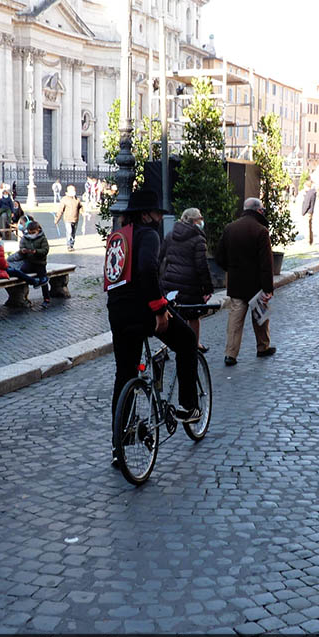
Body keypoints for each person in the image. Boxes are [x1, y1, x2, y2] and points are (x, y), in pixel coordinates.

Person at [108, 189, 201, 463]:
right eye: (158, 211)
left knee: (124, 375)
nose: (161, 216)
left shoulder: (120, 235)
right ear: (146, 214)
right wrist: (160, 309)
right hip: (143, 311)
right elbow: (148, 270)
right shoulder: (148, 235)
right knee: (186, 341)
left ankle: (119, 444)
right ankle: (189, 406)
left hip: (117, 312)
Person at [215, 197, 275, 366]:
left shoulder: (230, 228)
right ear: (258, 210)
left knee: (235, 320)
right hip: (256, 284)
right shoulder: (261, 231)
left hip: (236, 283)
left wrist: (232, 269)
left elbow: (219, 257)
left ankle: (230, 354)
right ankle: (263, 347)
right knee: (261, 317)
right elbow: (266, 263)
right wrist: (268, 288)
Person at [160, 207, 214, 352]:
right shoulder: (198, 239)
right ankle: (194, 345)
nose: (202, 221)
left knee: (172, 314)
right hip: (191, 284)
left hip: (170, 282)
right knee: (193, 315)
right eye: (200, 218)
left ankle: (165, 345)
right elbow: (202, 266)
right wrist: (208, 288)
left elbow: (160, 258)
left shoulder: (171, 234)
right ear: (194, 221)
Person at [7, 220, 52, 305]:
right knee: (21, 272)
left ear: (38, 230)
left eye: (33, 232)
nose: (31, 234)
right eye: (30, 232)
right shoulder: (25, 237)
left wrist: (36, 251)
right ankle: (23, 294)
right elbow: (21, 247)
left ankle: (46, 298)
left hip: (39, 262)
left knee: (43, 279)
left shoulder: (42, 238)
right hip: (29, 261)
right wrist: (23, 251)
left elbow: (45, 250)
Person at [54, 184, 83, 251]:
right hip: (67, 219)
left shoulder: (77, 199)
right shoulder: (64, 199)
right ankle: (69, 245)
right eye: (72, 190)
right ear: (68, 191)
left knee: (73, 233)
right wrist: (57, 219)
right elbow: (60, 210)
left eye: (74, 190)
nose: (74, 191)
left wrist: (83, 213)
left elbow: (80, 207)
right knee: (69, 231)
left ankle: (72, 244)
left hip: (75, 219)